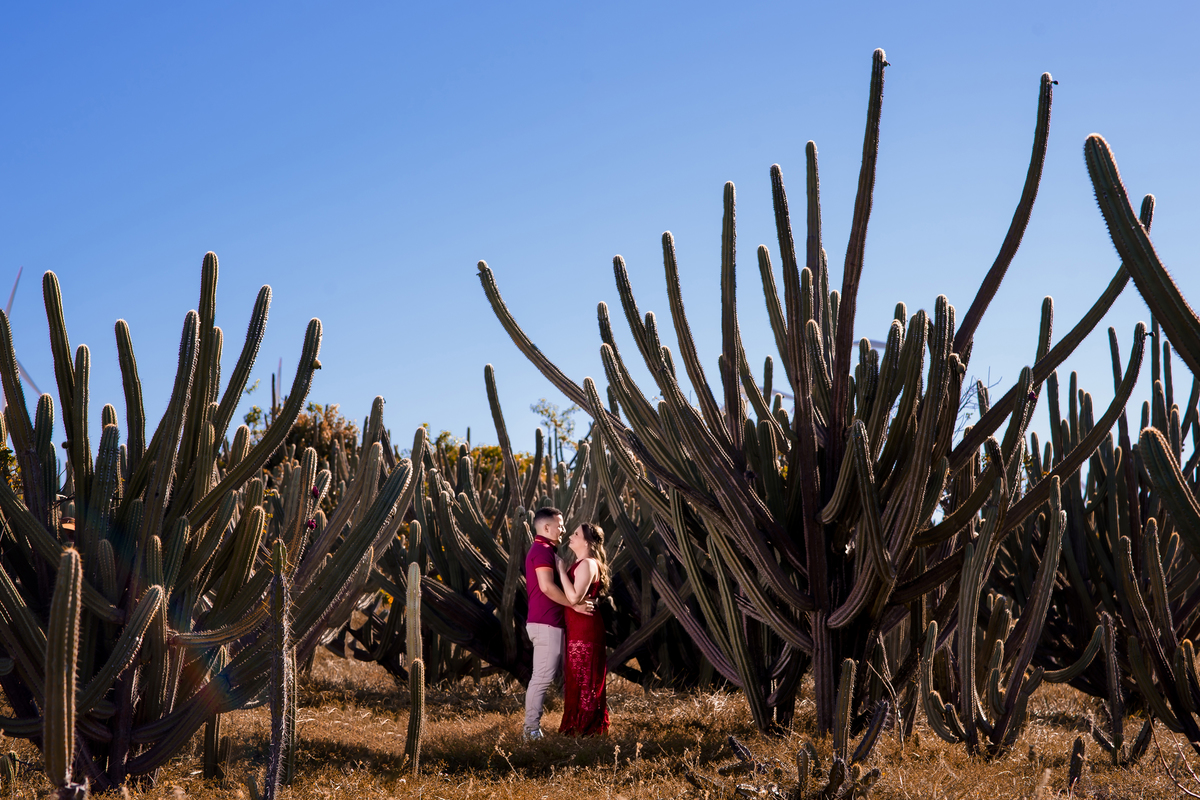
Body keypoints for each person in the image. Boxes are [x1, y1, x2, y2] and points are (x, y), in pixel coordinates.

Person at [522, 506, 592, 740]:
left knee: (545, 677)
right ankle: (531, 730)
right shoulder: (541, 550)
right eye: (559, 525)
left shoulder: (546, 550)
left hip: (549, 623)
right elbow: (546, 587)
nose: (563, 529)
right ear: (546, 527)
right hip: (545, 624)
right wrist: (574, 605)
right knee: (541, 678)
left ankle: (538, 728)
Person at [556, 522, 610, 736]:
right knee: (578, 677)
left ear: (587, 542)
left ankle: (586, 730)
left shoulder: (588, 564)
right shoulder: (583, 563)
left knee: (584, 678)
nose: (571, 536)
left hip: (585, 629)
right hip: (578, 627)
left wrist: (560, 571)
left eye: (576, 534)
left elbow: (574, 597)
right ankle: (580, 728)